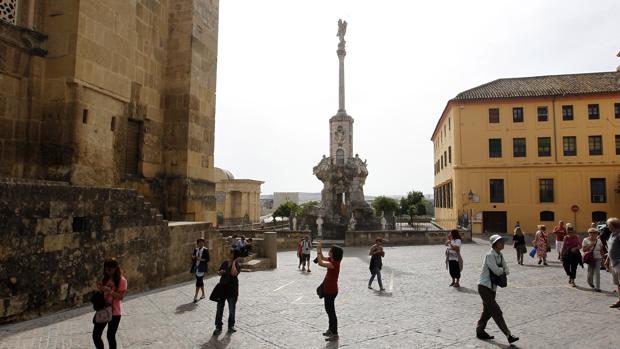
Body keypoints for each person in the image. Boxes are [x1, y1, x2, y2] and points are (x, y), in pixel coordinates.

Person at [476, 235, 519, 344]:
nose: (503, 243)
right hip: (484, 287)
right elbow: (496, 271)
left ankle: (479, 331)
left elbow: (507, 269)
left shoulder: (500, 255)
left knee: (487, 312)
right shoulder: (489, 255)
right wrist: (502, 270)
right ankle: (508, 335)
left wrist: (502, 270)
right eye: (500, 242)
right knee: (496, 311)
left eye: (502, 242)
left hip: (492, 288)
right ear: (494, 244)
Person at [93, 258, 127, 349]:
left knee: (110, 337)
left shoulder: (122, 280)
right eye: (106, 269)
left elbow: (121, 297)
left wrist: (110, 291)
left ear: (116, 268)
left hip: (115, 312)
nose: (107, 271)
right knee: (96, 336)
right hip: (103, 310)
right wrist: (100, 288)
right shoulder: (105, 279)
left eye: (109, 269)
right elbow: (101, 295)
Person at [317, 241, 343, 342]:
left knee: (331, 313)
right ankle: (330, 330)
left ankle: (335, 334)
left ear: (334, 253)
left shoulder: (335, 264)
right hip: (329, 290)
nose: (329, 252)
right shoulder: (332, 260)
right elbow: (322, 258)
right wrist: (319, 250)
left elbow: (320, 263)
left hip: (331, 291)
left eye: (331, 251)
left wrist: (318, 250)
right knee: (329, 311)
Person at [213, 248, 241, 335]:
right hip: (222, 289)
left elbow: (233, 274)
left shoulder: (237, 265)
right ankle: (218, 327)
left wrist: (233, 262)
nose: (229, 254)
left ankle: (231, 326)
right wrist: (220, 272)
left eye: (231, 253)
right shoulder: (224, 263)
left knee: (232, 309)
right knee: (219, 308)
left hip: (232, 290)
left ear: (234, 255)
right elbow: (219, 272)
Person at [604, 217, 620, 309]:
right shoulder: (612, 234)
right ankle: (619, 301)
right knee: (618, 283)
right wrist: (607, 260)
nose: (607, 226)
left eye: (608, 224)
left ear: (613, 225)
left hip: (619, 262)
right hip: (613, 263)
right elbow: (610, 249)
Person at [192, 238, 210, 302]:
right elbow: (193, 258)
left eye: (202, 243)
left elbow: (208, 259)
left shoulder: (205, 250)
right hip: (196, 267)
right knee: (200, 281)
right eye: (199, 243)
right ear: (197, 244)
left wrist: (201, 259)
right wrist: (193, 257)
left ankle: (195, 296)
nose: (201, 244)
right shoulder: (196, 250)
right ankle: (203, 294)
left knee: (198, 281)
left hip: (202, 268)